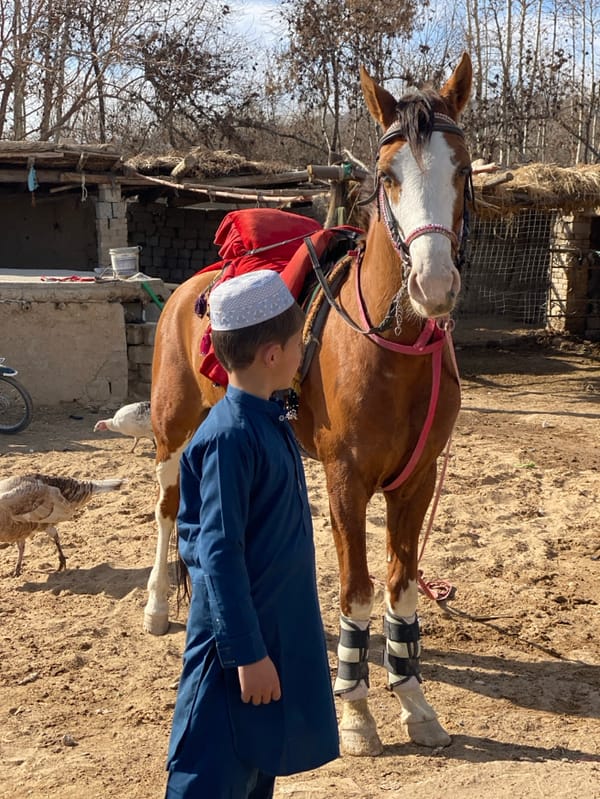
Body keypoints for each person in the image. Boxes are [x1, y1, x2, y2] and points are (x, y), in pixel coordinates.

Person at [165, 270, 339, 799]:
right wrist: (246, 654)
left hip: (267, 644)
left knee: (254, 770)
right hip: (232, 657)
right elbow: (218, 554)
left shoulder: (268, 420)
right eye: (298, 344)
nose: (304, 354)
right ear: (271, 354)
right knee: (210, 777)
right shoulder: (231, 438)